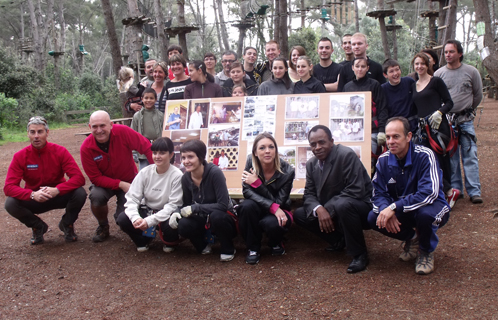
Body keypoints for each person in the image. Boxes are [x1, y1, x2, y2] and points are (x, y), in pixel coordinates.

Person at [367, 117, 450, 275]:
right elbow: (378, 193)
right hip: (404, 209)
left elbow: (429, 193)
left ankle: (425, 251)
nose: (391, 141)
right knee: (373, 217)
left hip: (433, 206)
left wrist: (394, 207)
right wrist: (386, 209)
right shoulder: (383, 161)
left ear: (409, 136)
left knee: (425, 215)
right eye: (388, 137)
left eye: (396, 136)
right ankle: (413, 238)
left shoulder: (425, 155)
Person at [294, 125, 373, 273]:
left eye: (322, 142)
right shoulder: (312, 164)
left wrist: (327, 209)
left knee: (343, 205)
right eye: (313, 144)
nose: (317, 147)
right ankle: (338, 240)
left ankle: (359, 254)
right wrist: (319, 209)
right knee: (300, 214)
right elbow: (309, 194)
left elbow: (355, 190)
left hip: (360, 207)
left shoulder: (346, 155)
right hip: (336, 208)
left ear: (332, 141)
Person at [4, 116, 87, 245]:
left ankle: (67, 224)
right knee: (10, 203)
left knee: (80, 193)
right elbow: (8, 187)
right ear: (28, 134)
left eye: (40, 132)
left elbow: (79, 178)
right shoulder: (20, 156)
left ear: (47, 133)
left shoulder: (60, 151)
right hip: (35, 198)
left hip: (58, 195)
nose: (36, 136)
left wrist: (58, 190)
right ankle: (38, 227)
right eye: (32, 132)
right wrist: (32, 194)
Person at [80, 111, 153, 243]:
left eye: (103, 125)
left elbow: (147, 147)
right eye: (94, 127)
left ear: (111, 125)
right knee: (96, 196)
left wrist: (156, 172)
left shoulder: (123, 132)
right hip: (105, 184)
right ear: (89, 127)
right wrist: (120, 184)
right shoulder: (86, 147)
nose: (99, 130)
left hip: (130, 180)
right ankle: (103, 226)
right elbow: (95, 178)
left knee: (123, 219)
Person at [170, 140, 237, 261]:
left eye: (190, 157)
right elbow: (187, 204)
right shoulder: (185, 178)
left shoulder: (215, 173)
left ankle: (228, 248)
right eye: (183, 157)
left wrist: (196, 208)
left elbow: (222, 205)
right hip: (202, 218)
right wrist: (177, 212)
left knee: (217, 216)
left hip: (224, 218)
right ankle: (202, 245)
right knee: (183, 224)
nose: (186, 161)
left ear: (200, 157)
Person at [434, 40, 484, 205]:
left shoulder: (471, 71)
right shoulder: (439, 74)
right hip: (448, 122)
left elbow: (478, 95)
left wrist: (468, 109)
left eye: (451, 52)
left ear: (460, 53)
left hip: (466, 120)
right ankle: (456, 190)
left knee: (470, 155)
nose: (448, 55)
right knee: (451, 157)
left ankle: (474, 191)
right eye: (446, 52)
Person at [116, 137, 183, 252]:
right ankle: (142, 240)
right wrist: (135, 218)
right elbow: (132, 198)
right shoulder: (145, 172)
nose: (157, 156)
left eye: (162, 153)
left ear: (171, 155)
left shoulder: (177, 175)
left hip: (166, 213)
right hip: (147, 210)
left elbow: (173, 205)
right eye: (155, 153)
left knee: (172, 222)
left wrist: (149, 221)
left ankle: (170, 241)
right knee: (122, 218)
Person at [237, 133, 295, 264]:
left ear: (276, 150)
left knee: (272, 223)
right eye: (262, 148)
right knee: (246, 207)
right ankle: (253, 248)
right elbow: (246, 191)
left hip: (279, 208)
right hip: (259, 207)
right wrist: (271, 206)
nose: (267, 151)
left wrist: (258, 184)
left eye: (271, 147)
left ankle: (275, 242)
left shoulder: (288, 171)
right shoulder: (250, 162)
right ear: (255, 153)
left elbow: (279, 202)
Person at [411, 52, 455, 201]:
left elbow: (449, 102)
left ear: (428, 65)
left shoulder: (436, 82)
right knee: (425, 159)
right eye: (417, 64)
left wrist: (439, 112)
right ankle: (439, 191)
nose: (419, 66)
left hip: (438, 127)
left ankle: (449, 191)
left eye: (422, 63)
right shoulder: (413, 85)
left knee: (441, 159)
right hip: (423, 129)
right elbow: (414, 109)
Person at [343, 57, 388, 169]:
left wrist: (382, 130)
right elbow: (343, 111)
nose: (360, 69)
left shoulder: (374, 85)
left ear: (367, 68)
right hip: (352, 133)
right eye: (357, 66)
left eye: (363, 66)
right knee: (351, 164)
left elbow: (382, 108)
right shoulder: (347, 87)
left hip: (371, 131)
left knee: (368, 165)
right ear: (352, 68)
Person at [131, 88, 165, 170]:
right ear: (142, 99)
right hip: (143, 150)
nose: (148, 100)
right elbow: (132, 134)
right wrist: (134, 152)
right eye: (146, 98)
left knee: (159, 171)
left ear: (156, 99)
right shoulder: (137, 116)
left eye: (151, 98)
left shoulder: (161, 115)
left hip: (158, 148)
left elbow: (164, 132)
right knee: (145, 172)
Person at [381, 59, 417, 133]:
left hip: (412, 124)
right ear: (385, 75)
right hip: (394, 126)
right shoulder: (383, 89)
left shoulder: (409, 82)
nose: (395, 73)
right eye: (391, 71)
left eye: (397, 70)